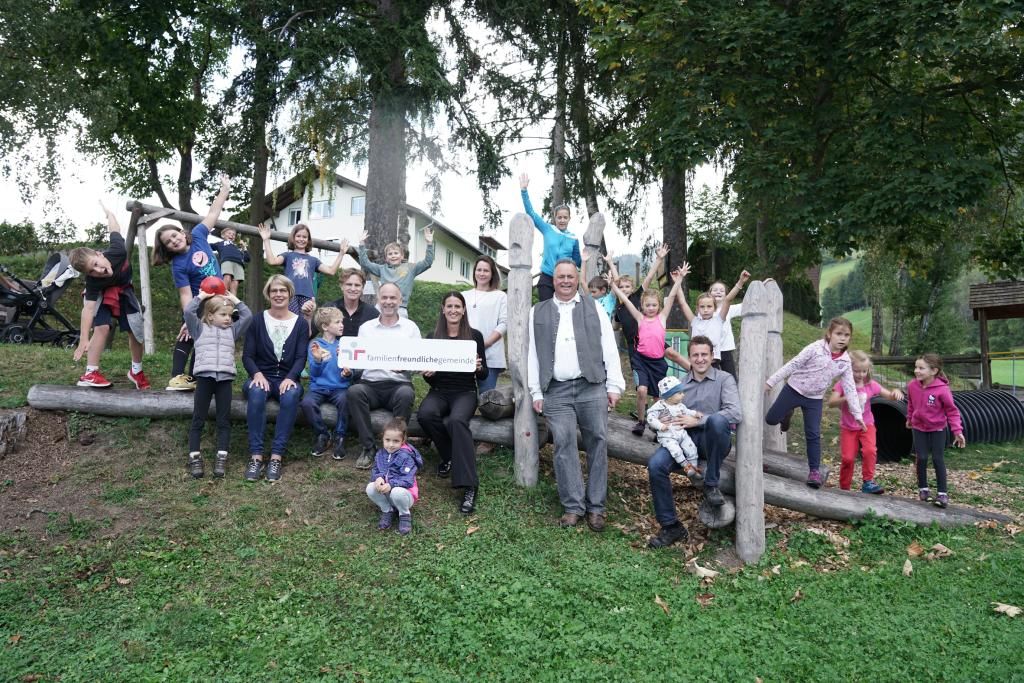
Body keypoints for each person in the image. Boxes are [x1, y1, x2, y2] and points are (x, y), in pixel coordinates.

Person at [527, 259, 625, 531]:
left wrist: (614, 386)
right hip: (556, 390)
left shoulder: (594, 307)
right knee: (564, 443)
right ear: (553, 280)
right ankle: (573, 505)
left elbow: (609, 347)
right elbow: (532, 354)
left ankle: (596, 507)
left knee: (598, 441)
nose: (566, 281)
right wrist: (536, 390)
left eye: (571, 276)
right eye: (561, 277)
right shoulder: (538, 311)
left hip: (591, 386)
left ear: (577, 278)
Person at [646, 336, 742, 549]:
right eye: (695, 355)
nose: (700, 359)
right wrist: (661, 421)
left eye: (704, 355)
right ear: (690, 357)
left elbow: (735, 413)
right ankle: (671, 526)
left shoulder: (724, 379)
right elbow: (656, 413)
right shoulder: (678, 384)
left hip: (713, 441)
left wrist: (698, 419)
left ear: (712, 356)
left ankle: (711, 484)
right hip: (683, 440)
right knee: (655, 466)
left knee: (718, 420)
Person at [765, 317, 865, 489]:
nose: (842, 338)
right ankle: (787, 412)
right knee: (771, 419)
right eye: (838, 334)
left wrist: (857, 414)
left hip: (814, 399)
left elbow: (849, 388)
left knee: (813, 434)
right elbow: (793, 364)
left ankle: (814, 472)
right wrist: (771, 382)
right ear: (829, 334)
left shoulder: (845, 361)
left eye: (846, 335)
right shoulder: (815, 348)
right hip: (794, 389)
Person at [152, 176, 229, 391]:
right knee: (188, 334)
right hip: (200, 302)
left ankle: (195, 377)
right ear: (167, 248)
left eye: (174, 235)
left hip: (219, 302)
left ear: (181, 233)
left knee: (205, 338)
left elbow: (213, 213)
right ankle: (177, 376)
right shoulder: (178, 264)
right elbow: (185, 294)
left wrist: (224, 191)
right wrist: (190, 317)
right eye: (168, 242)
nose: (174, 240)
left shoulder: (198, 235)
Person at [417, 291, 488, 514]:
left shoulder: (474, 335)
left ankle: (469, 486)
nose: (453, 310)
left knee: (457, 421)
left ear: (464, 310)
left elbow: (483, 374)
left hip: (465, 391)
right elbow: (429, 378)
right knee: (425, 414)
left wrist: (478, 368)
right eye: (450, 306)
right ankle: (449, 456)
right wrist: (428, 374)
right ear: (443, 309)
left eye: (458, 306)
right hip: (440, 390)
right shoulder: (433, 336)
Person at [605, 247, 689, 430]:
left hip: (656, 353)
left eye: (653, 305)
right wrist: (612, 284)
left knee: (660, 390)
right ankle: (641, 421)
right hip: (639, 350)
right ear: (643, 307)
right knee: (642, 389)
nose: (650, 307)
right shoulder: (624, 311)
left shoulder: (642, 301)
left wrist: (675, 276)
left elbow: (661, 287)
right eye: (622, 287)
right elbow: (618, 318)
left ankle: (694, 371)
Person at [70, 201, 149, 390]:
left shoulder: (117, 251)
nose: (99, 270)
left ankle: (136, 371)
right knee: (102, 327)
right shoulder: (93, 282)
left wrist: (110, 214)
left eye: (96, 263)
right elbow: (88, 309)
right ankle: (90, 372)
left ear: (99, 254)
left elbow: (114, 228)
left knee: (136, 330)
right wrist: (83, 338)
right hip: (103, 295)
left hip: (124, 290)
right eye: (92, 271)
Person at [241, 275, 309, 482]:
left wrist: (291, 377)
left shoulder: (300, 324)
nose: (278, 294)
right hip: (262, 375)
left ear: (290, 294)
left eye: (282, 291)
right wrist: (257, 374)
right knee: (256, 393)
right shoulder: (257, 319)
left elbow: (300, 357)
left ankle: (276, 457)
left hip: (287, 377)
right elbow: (247, 356)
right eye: (274, 291)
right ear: (268, 294)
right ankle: (256, 456)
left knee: (290, 397)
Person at [348, 283, 421, 469]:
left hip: (398, 384)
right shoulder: (366, 328)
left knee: (406, 394)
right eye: (385, 298)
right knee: (355, 391)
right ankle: (368, 447)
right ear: (378, 300)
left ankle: (398, 450)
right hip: (370, 384)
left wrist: (406, 366)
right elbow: (359, 358)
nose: (388, 302)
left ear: (400, 300)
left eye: (393, 298)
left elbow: (419, 359)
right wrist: (348, 360)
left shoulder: (410, 328)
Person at [183, 288, 252, 478]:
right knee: (198, 418)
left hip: (225, 380)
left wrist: (234, 300)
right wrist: (202, 297)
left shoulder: (233, 331)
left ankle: (222, 456)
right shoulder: (199, 329)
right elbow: (188, 311)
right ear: (210, 316)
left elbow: (247, 316)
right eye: (223, 315)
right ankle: (195, 457)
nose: (228, 318)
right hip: (204, 379)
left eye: (230, 315)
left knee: (223, 420)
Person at [827, 350, 904, 493]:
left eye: (864, 371)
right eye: (856, 371)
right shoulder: (842, 384)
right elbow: (831, 402)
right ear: (849, 369)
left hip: (867, 425)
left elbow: (889, 396)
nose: (860, 375)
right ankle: (844, 488)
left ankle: (868, 482)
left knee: (870, 451)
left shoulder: (871, 384)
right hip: (848, 427)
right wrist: (848, 396)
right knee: (848, 458)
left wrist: (896, 391)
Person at [906, 353, 965, 508]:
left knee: (938, 459)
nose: (916, 371)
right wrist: (910, 418)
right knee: (922, 458)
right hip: (919, 428)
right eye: (916, 367)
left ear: (933, 371)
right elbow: (911, 403)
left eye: (921, 368)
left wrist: (957, 431)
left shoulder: (942, 390)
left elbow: (952, 411)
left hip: (938, 429)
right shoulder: (912, 385)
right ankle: (923, 489)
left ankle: (942, 494)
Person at [258, 223, 344, 318]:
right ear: (293, 238)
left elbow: (331, 271)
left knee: (304, 324)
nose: (301, 239)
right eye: (298, 236)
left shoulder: (313, 260)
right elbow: (272, 261)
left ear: (308, 240)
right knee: (292, 321)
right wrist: (266, 240)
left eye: (304, 237)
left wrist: (341, 253)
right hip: (291, 295)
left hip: (307, 297)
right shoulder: (287, 256)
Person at [301, 306, 352, 461]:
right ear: (325, 326)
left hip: (339, 388)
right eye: (337, 322)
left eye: (342, 321)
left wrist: (347, 373)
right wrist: (317, 360)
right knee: (307, 403)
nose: (342, 325)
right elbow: (314, 374)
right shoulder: (315, 345)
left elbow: (349, 372)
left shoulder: (344, 344)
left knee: (346, 401)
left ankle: (340, 436)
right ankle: (322, 434)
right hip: (319, 388)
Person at [519, 173, 581, 301]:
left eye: (565, 217)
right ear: (555, 218)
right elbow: (531, 214)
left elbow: (577, 262)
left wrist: (584, 259)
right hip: (547, 277)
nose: (562, 220)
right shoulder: (548, 229)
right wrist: (524, 191)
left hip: (565, 279)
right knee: (546, 311)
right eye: (559, 217)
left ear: (569, 218)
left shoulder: (573, 239)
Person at [676, 263, 751, 366]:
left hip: (713, 361)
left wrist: (740, 282)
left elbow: (728, 300)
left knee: (728, 379)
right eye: (702, 307)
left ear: (714, 308)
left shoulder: (718, 320)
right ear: (697, 309)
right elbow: (682, 302)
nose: (706, 310)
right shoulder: (695, 321)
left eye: (709, 307)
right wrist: (678, 281)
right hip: (698, 362)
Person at [355, 228, 434, 317]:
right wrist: (361, 244)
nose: (393, 256)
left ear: (402, 256)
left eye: (396, 253)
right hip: (382, 307)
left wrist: (429, 243)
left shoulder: (411, 268)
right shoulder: (381, 269)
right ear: (386, 258)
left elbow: (428, 262)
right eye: (390, 254)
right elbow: (365, 263)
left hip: (400, 308)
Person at [366, 418, 423, 536]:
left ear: (403, 440)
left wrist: (391, 484)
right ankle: (387, 510)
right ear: (382, 438)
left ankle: (404, 514)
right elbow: (376, 469)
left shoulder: (407, 457)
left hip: (404, 495)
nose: (391, 445)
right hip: (387, 493)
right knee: (370, 488)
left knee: (397, 492)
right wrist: (378, 478)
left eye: (396, 441)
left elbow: (407, 480)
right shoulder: (381, 453)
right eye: (387, 440)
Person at [708, 273, 769, 377]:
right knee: (711, 377)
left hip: (725, 349)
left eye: (722, 291)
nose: (718, 292)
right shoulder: (705, 311)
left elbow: (747, 303)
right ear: (709, 293)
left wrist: (760, 287)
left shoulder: (728, 309)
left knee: (731, 378)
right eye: (715, 290)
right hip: (710, 351)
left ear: (726, 294)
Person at [463, 255, 507, 393]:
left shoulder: (500, 296)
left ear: (492, 273)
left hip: (490, 354)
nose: (481, 273)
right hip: (464, 353)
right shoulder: (463, 295)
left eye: (486, 270)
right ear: (474, 272)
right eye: (479, 270)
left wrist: (484, 344)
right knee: (463, 395)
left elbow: (504, 323)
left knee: (486, 399)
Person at [646, 376, 702, 479]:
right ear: (670, 396)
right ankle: (686, 467)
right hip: (667, 436)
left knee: (691, 448)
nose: (683, 395)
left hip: (681, 433)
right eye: (679, 393)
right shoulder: (660, 406)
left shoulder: (680, 405)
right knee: (676, 451)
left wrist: (695, 414)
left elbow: (687, 411)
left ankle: (694, 468)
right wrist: (660, 425)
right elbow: (650, 418)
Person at [328, 269, 379, 337]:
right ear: (341, 286)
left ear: (362, 287)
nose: (353, 289)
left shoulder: (372, 313)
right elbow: (311, 334)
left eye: (357, 285)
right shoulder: (329, 309)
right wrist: (309, 317)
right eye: (349, 284)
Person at [210, 226, 250, 296]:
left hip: (239, 264)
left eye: (233, 234)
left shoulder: (238, 246)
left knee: (235, 284)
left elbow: (247, 259)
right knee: (227, 277)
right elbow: (209, 246)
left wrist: (244, 247)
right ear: (223, 235)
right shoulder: (220, 243)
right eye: (229, 233)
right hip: (227, 260)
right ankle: (222, 297)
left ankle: (232, 303)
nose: (231, 235)